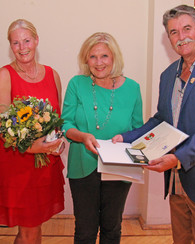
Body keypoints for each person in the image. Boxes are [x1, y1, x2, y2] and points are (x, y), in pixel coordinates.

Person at [112, 5, 195, 244]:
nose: (181, 36)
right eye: (174, 32)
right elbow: (161, 120)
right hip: (177, 181)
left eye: (187, 28)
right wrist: (127, 137)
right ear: (169, 38)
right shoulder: (168, 74)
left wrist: (180, 157)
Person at [61, 32, 144, 244]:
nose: (99, 63)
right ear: (85, 60)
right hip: (83, 165)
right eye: (93, 57)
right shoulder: (76, 84)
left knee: (112, 227)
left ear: (114, 57)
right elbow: (66, 124)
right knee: (85, 230)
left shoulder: (133, 89)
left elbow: (138, 129)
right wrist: (82, 136)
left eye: (104, 56)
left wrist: (126, 137)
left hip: (118, 167)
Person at [0, 19, 65, 244]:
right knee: (30, 231)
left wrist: (56, 141)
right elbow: (0, 128)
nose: (22, 47)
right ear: (10, 46)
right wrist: (34, 147)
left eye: (26, 40)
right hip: (19, 166)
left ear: (36, 40)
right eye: (15, 43)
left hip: (45, 166)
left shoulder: (53, 75)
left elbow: (57, 120)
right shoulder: (4, 76)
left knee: (34, 229)